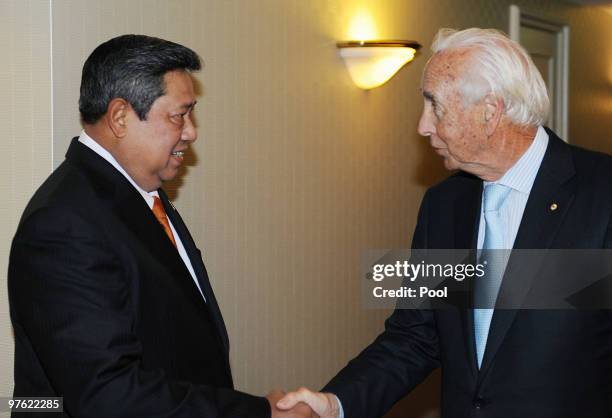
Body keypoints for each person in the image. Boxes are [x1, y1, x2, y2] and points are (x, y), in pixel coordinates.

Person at [277, 28, 612, 418]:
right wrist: (335, 404)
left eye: (435, 105)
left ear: (490, 111)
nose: (423, 126)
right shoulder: (444, 205)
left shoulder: (601, 196)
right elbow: (415, 337)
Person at [8, 34, 310, 418]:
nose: (191, 131)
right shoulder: (63, 225)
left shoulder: (139, 190)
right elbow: (106, 394)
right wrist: (257, 414)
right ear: (120, 117)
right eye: (179, 115)